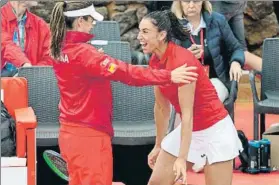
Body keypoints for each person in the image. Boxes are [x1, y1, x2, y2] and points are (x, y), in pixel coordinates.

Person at [49, 2, 198, 185]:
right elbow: (128, 73)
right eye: (90, 21)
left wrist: (95, 58)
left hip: (69, 133)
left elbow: (81, 67)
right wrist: (169, 75)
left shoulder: (60, 48)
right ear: (80, 21)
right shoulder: (86, 55)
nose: (93, 25)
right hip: (90, 136)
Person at [137, 10, 243, 185]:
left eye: (145, 32)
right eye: (140, 31)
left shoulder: (182, 60)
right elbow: (161, 107)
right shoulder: (154, 61)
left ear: (162, 35)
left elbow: (187, 114)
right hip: (190, 130)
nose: (139, 36)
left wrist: (181, 158)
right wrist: (158, 144)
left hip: (215, 129)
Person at [171, 1, 244, 102]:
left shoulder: (217, 20)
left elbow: (236, 48)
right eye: (187, 1)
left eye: (196, 1)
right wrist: (185, 57)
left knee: (206, 101)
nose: (191, 5)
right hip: (184, 81)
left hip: (215, 79)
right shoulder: (172, 25)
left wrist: (236, 62)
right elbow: (164, 61)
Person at [1, 1, 51, 77]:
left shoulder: (40, 25)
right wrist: (24, 64)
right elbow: (5, 44)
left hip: (29, 82)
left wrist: (34, 73)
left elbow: (49, 57)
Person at [211, 1, 263, 72]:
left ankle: (274, 70)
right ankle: (273, 70)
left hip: (230, 5)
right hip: (232, 5)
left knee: (240, 49)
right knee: (241, 49)